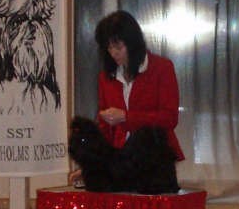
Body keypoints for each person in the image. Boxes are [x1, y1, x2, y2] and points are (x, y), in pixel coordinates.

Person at [70, 10, 184, 185]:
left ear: (133, 43)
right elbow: (104, 128)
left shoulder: (162, 68)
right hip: (118, 161)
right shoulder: (105, 77)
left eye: (118, 47)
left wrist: (126, 117)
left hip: (153, 159)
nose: (113, 53)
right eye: (108, 48)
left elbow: (169, 118)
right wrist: (91, 166)